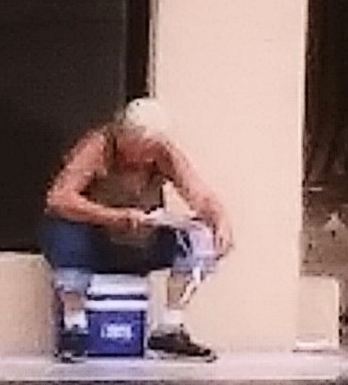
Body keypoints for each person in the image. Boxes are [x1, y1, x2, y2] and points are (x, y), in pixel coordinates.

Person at [41, 98, 232, 362]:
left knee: (197, 237)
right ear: (123, 135)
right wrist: (114, 217)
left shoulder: (163, 153)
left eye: (151, 150)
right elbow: (59, 198)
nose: (146, 158)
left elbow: (198, 194)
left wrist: (220, 221)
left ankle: (170, 328)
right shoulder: (98, 146)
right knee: (66, 230)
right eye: (141, 149)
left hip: (139, 240)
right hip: (96, 238)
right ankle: (75, 328)